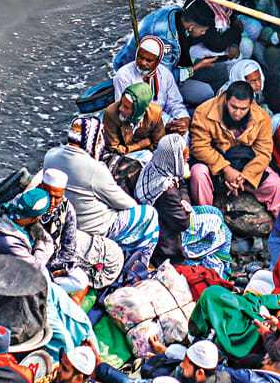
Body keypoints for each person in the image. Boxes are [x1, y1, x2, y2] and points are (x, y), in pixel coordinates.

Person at [45, 117, 158, 254]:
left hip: (64, 220)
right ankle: (139, 259)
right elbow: (126, 204)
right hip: (95, 228)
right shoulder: (94, 169)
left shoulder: (50, 155)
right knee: (149, 213)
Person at [188, 79, 280, 214]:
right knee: (198, 173)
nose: (237, 113)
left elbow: (264, 154)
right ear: (226, 100)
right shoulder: (204, 111)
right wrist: (226, 169)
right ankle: (205, 218)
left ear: (250, 104)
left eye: (243, 109)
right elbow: (199, 147)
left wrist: (244, 176)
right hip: (213, 164)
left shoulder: (262, 117)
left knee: (276, 185)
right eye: (233, 107)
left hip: (246, 163)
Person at [113, 34, 191, 127]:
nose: (143, 63)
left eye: (148, 60)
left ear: (157, 61)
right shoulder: (124, 75)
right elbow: (127, 111)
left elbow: (174, 103)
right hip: (137, 125)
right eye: (140, 57)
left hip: (165, 120)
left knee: (183, 132)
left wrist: (183, 118)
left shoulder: (165, 74)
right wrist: (162, 126)